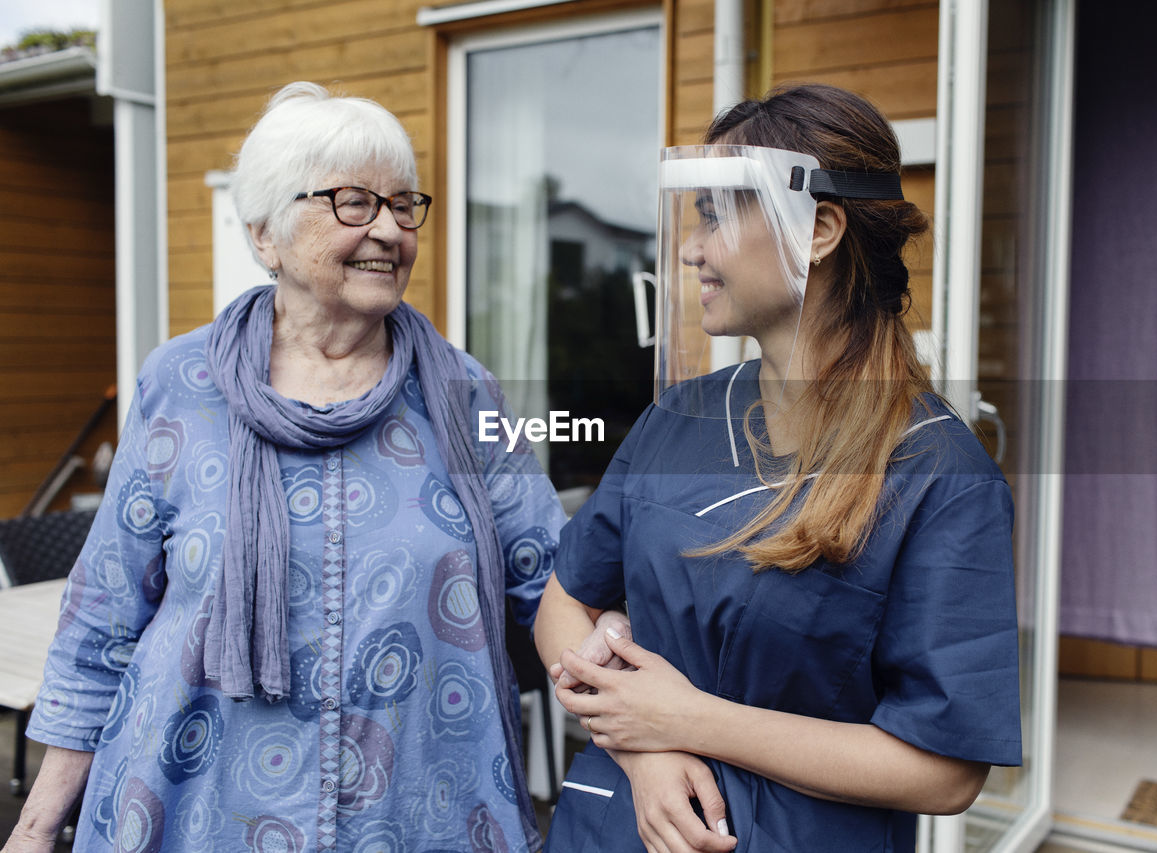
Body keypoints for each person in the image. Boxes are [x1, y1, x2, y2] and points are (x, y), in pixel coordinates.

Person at [4, 82, 572, 853]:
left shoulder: (463, 394)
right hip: (196, 809)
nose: (389, 229)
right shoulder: (180, 382)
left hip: (416, 813)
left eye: (404, 205)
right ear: (266, 234)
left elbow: (555, 584)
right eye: (353, 201)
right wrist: (36, 828)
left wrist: (655, 733)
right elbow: (105, 613)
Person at [533, 83, 1022, 853]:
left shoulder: (938, 476)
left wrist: (688, 719)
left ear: (819, 227)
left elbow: (946, 768)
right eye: (695, 219)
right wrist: (645, 750)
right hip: (617, 826)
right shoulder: (675, 420)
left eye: (719, 217)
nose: (691, 249)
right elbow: (562, 601)